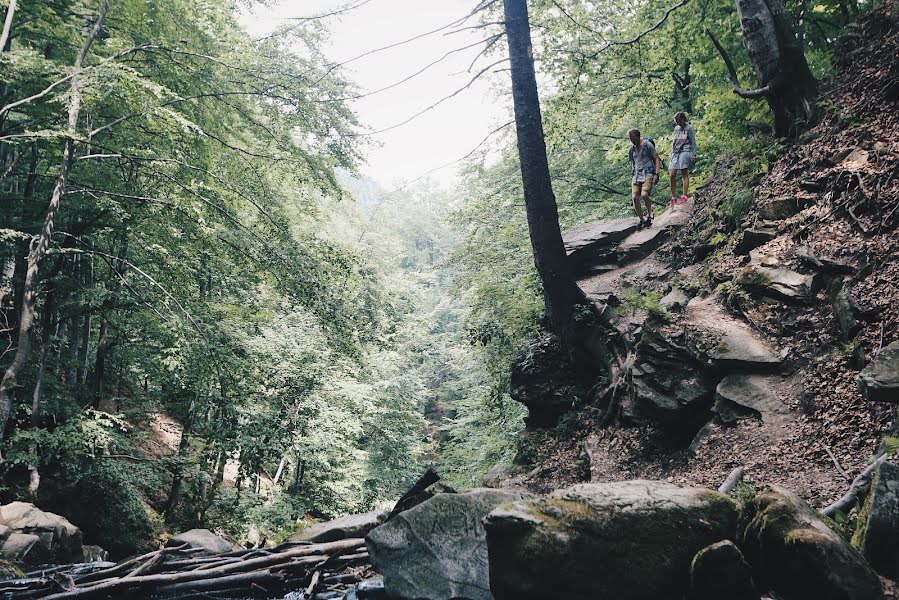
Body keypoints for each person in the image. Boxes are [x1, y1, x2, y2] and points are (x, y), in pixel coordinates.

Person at [627, 128, 662, 229]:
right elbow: (633, 162)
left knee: (644, 194)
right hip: (636, 175)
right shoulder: (631, 148)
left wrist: (656, 173)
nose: (631, 140)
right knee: (634, 197)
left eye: (633, 138)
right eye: (630, 139)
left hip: (648, 173)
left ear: (638, 136)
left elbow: (656, 158)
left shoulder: (647, 145)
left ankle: (650, 214)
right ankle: (642, 220)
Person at [669, 112, 696, 206]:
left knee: (684, 172)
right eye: (677, 122)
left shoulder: (689, 128)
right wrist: (671, 153)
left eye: (679, 121)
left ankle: (684, 196)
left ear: (683, 119)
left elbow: (693, 142)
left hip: (685, 150)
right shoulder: (676, 128)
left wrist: (693, 155)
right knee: (672, 175)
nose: (678, 123)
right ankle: (673, 197)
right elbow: (674, 141)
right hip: (675, 153)